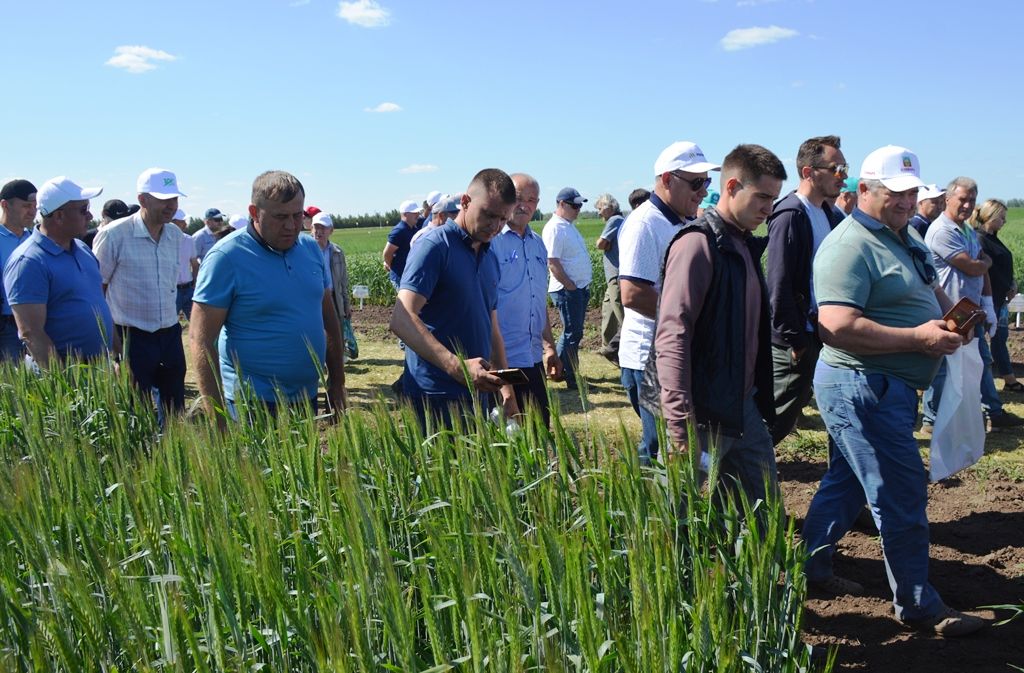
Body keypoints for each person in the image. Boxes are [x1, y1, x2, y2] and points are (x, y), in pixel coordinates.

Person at [801, 145, 985, 636]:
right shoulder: (849, 246)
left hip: (888, 388)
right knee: (900, 493)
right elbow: (836, 326)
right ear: (863, 191)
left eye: (911, 194)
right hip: (862, 386)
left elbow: (930, 291)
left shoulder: (904, 238)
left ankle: (809, 566)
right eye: (895, 193)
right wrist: (918, 338)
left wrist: (955, 321)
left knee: (846, 483)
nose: (905, 202)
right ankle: (919, 605)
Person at [654, 143, 784, 503]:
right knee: (679, 515)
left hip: (742, 406)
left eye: (773, 199)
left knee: (764, 510)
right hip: (702, 413)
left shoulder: (741, 244)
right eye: (761, 197)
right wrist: (678, 420)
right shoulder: (698, 245)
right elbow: (672, 336)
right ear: (731, 187)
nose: (768, 208)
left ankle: (759, 561)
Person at [191, 170, 347, 425]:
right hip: (250, 405)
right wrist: (216, 415)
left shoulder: (310, 250)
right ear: (254, 213)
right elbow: (201, 339)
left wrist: (337, 381)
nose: (291, 225)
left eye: (298, 216)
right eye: (280, 217)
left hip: (305, 397)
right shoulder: (226, 257)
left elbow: (329, 319)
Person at [389, 169, 519, 428]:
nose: (495, 225)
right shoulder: (435, 247)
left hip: (478, 393)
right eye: (489, 215)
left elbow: (491, 327)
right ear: (465, 202)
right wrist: (457, 366)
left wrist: (508, 394)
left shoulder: (490, 255)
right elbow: (401, 318)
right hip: (436, 396)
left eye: (503, 219)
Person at [617, 140, 719, 462]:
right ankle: (656, 508)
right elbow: (632, 293)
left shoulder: (685, 221)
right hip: (649, 357)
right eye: (696, 182)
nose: (703, 191)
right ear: (666, 179)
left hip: (674, 350)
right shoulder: (645, 223)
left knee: (677, 446)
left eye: (707, 181)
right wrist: (690, 317)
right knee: (662, 447)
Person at [922, 177, 1022, 431]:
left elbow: (981, 271)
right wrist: (984, 262)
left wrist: (987, 304)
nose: (967, 205)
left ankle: (993, 412)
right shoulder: (942, 231)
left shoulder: (966, 230)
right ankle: (931, 420)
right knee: (943, 366)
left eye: (971, 200)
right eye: (962, 199)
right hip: (949, 310)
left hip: (970, 310)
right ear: (947, 199)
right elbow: (971, 265)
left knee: (980, 361)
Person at [765, 135, 847, 444]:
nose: (843, 175)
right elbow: (779, 285)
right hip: (796, 338)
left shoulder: (826, 213)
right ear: (809, 172)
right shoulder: (791, 216)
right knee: (778, 414)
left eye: (844, 167)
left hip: (817, 332)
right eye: (835, 168)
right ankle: (734, 472)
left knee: (793, 408)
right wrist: (795, 340)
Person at [94, 168, 189, 417]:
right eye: (163, 199)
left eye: (174, 199)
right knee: (137, 412)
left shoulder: (175, 235)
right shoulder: (113, 235)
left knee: (174, 407)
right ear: (142, 199)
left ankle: (171, 450)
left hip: (169, 333)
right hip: (131, 337)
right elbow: (97, 293)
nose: (171, 206)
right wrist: (114, 349)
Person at [4, 177, 113, 367]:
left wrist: (117, 357)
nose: (89, 216)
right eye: (83, 210)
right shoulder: (29, 261)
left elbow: (100, 304)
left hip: (101, 370)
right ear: (59, 216)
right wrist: (65, 383)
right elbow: (31, 332)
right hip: (67, 377)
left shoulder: (82, 249)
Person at [491, 173, 563, 426]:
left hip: (532, 357)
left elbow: (537, 302)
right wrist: (504, 383)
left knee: (540, 426)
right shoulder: (493, 244)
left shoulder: (537, 245)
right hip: (504, 360)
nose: (524, 205)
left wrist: (549, 347)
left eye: (531, 200)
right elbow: (486, 310)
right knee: (511, 433)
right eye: (518, 198)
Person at [542, 187, 592, 390]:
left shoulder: (567, 225)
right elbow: (552, 262)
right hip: (567, 289)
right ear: (561, 204)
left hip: (577, 288)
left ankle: (561, 370)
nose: (578, 209)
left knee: (574, 332)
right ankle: (569, 375)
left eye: (580, 205)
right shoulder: (555, 228)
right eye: (574, 205)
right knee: (573, 333)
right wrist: (570, 286)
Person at [972, 199, 1020, 391]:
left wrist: (1012, 283)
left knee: (1000, 338)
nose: (1004, 221)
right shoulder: (979, 239)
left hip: (1000, 298)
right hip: (988, 299)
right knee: (985, 341)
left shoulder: (992, 238)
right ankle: (997, 382)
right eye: (1001, 217)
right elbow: (985, 272)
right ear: (989, 216)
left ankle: (1008, 379)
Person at [310, 211, 358, 361]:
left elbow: (342, 281)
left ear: (331, 230)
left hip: (333, 297)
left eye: (322, 228)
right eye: (315, 227)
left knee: (336, 333)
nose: (318, 231)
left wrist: (346, 304)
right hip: (314, 298)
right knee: (316, 331)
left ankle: (335, 366)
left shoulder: (337, 252)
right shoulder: (305, 250)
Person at [0, 179, 37, 361]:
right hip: (5, 326)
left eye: (35, 206)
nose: (32, 211)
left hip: (36, 325)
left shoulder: (35, 240)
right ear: (5, 205)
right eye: (26, 206)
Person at [595, 193, 625, 364]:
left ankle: (617, 351)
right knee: (608, 312)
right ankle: (608, 347)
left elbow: (600, 244)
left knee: (621, 314)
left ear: (610, 206)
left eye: (600, 208)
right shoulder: (615, 221)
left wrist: (605, 244)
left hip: (616, 275)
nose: (599, 213)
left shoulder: (615, 220)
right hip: (612, 276)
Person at [382, 200, 422, 289]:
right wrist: (391, 266)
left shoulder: (413, 229)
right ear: (405, 214)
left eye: (418, 212)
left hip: (409, 274)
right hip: (400, 276)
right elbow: (387, 253)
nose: (418, 215)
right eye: (414, 213)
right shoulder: (399, 231)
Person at [172, 209, 198, 320]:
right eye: (182, 221)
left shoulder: (189, 240)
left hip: (188, 289)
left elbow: (194, 264)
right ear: (173, 222)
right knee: (170, 324)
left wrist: (194, 282)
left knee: (195, 321)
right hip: (172, 291)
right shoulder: (163, 241)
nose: (185, 224)